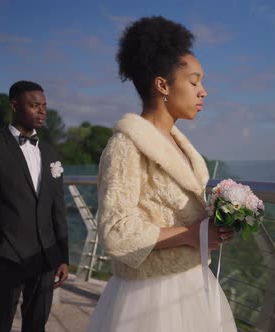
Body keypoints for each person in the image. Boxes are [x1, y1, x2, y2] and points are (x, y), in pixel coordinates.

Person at [86, 16, 237, 332]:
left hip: (194, 282)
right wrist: (191, 235)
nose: (203, 92)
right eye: (194, 81)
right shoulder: (126, 146)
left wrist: (216, 224)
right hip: (150, 297)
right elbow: (116, 232)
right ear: (163, 85)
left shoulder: (180, 144)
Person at [0, 80, 69, 332]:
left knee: (37, 326)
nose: (42, 111)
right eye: (34, 105)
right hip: (9, 256)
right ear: (15, 105)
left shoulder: (50, 153)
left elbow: (57, 207)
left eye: (44, 106)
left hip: (46, 257)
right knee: (1, 323)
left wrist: (62, 256)